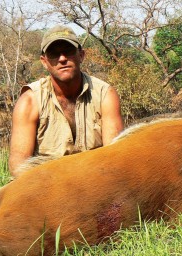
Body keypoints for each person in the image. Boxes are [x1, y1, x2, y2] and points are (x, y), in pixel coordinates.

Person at [9, 25, 124, 177]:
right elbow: (19, 166)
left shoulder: (105, 95)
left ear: (81, 55)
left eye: (68, 52)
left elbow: (115, 158)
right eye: (54, 54)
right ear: (44, 62)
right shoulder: (29, 101)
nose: (62, 59)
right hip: (47, 184)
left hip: (94, 180)